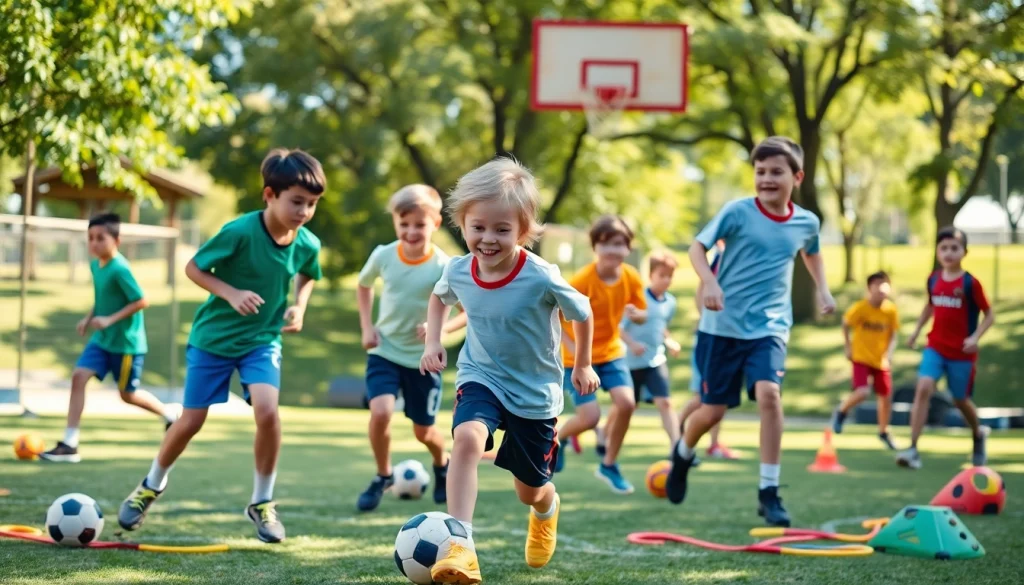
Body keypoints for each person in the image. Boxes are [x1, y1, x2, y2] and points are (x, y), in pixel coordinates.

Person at [116, 148, 325, 543]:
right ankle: (151, 485)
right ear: (269, 195)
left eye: (312, 204)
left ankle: (262, 502)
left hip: (262, 341)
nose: (304, 211)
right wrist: (230, 293)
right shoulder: (241, 232)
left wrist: (299, 305)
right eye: (297, 201)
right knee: (191, 421)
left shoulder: (307, 243)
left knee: (268, 412)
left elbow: (308, 274)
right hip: (212, 341)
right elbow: (194, 267)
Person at [420, 157, 599, 584]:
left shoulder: (540, 276)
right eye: (478, 227)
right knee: (465, 438)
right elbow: (439, 298)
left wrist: (584, 363)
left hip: (536, 394)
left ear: (523, 231)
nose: (488, 238)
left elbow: (583, 311)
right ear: (462, 223)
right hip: (481, 375)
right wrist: (432, 341)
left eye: (503, 229)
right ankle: (460, 545)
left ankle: (546, 506)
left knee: (529, 490)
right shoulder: (458, 269)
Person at [664, 136, 835, 528]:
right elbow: (696, 248)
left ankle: (769, 492)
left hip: (771, 327)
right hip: (721, 327)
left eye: (776, 172)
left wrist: (823, 288)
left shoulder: (806, 221)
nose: (767, 179)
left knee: (770, 395)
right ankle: (683, 453)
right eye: (760, 172)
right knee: (712, 411)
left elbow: (812, 250)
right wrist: (708, 282)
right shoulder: (737, 212)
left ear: (797, 176)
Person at [355, 184, 466, 511]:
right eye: (404, 224)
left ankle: (441, 463)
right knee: (381, 411)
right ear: (395, 224)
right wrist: (366, 326)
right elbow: (363, 286)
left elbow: (467, 313)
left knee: (424, 432)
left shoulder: (445, 266)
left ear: (434, 223)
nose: (411, 231)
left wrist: (439, 328)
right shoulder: (383, 255)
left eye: (419, 224)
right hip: (384, 351)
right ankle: (383, 474)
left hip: (422, 361)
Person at [40, 213, 179, 463]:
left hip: (126, 344)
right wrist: (89, 317)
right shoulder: (96, 265)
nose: (94, 243)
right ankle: (70, 443)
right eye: (90, 238)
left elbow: (141, 300)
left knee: (127, 395)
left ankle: (169, 413)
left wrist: (109, 320)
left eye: (100, 238)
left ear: (117, 240)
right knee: (78, 377)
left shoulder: (120, 269)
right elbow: (102, 298)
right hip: (102, 340)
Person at [554, 215, 647, 495]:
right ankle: (556, 439)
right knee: (590, 418)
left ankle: (609, 464)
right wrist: (575, 355)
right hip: (578, 360)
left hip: (611, 354)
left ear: (628, 248)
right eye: (606, 244)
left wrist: (637, 314)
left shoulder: (630, 276)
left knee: (627, 403)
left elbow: (643, 314)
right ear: (595, 247)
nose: (613, 251)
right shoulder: (582, 280)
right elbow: (557, 318)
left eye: (619, 244)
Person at [897, 227, 995, 469]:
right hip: (935, 348)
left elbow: (990, 315)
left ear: (964, 252)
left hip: (961, 354)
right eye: (944, 248)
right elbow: (930, 306)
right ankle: (912, 449)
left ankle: (978, 433)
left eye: (954, 248)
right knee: (923, 388)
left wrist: (975, 337)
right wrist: (916, 331)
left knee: (960, 400)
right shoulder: (933, 279)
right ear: (938, 252)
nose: (949, 252)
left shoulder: (970, 283)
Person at [677, 240, 738, 461]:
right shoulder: (719, 258)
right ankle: (677, 432)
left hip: (729, 336)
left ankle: (712, 444)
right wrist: (706, 321)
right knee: (704, 397)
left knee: (716, 399)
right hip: (711, 339)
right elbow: (702, 288)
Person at [619, 250, 681, 448]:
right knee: (627, 408)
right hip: (630, 362)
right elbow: (619, 329)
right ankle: (604, 433)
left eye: (670, 276)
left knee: (665, 403)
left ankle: (677, 448)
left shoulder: (670, 302)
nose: (666, 280)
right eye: (662, 275)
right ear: (651, 275)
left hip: (655, 360)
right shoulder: (638, 298)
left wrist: (669, 341)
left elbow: (660, 326)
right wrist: (633, 344)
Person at [832, 271, 900, 449]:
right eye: (876, 284)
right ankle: (842, 411)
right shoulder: (861, 308)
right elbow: (846, 323)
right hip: (861, 356)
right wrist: (848, 347)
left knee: (885, 397)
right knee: (862, 392)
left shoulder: (890, 310)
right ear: (869, 288)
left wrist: (889, 352)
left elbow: (893, 333)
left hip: (880, 360)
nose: (881, 288)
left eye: (884, 283)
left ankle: (884, 432)